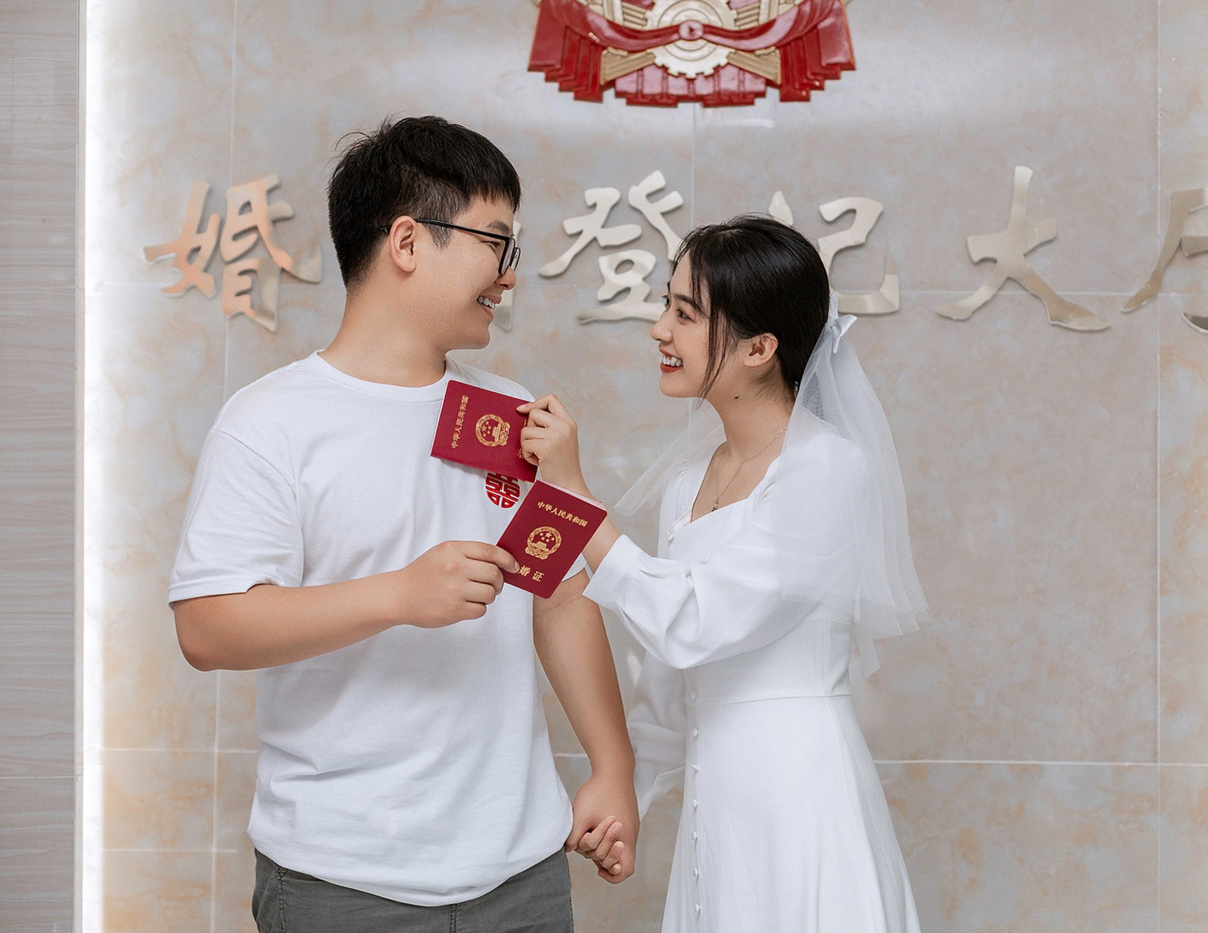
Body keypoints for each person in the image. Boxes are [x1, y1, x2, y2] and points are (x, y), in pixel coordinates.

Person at [169, 115, 638, 933]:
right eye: (496, 242)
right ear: (409, 241)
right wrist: (398, 594)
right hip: (341, 880)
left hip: (521, 874)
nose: (509, 275)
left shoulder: (511, 415)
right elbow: (207, 627)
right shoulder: (268, 422)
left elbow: (561, 595)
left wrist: (613, 766)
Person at [521, 215, 927, 931]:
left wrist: (575, 497)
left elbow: (694, 621)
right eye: (666, 306)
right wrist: (627, 798)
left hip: (799, 797)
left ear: (759, 348)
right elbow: (669, 680)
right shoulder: (689, 481)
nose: (659, 330)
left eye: (684, 314)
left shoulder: (826, 470)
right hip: (718, 807)